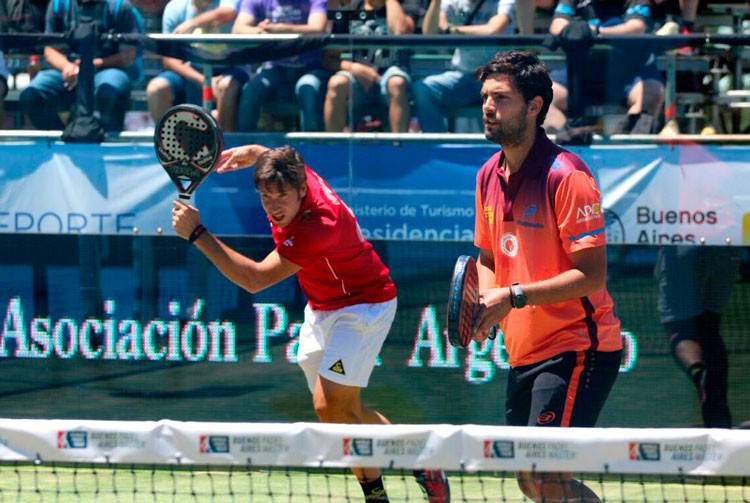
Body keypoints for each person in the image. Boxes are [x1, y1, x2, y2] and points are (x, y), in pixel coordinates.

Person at [170, 144, 450, 503]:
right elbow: (272, 154)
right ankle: (420, 457)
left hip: (363, 306)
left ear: (302, 190)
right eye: (265, 196)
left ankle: (375, 496)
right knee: (333, 412)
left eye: (281, 196)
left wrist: (198, 235)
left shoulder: (320, 224)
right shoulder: (299, 174)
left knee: (334, 403)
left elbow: (255, 280)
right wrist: (254, 152)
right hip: (320, 308)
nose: (273, 206)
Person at [470, 50, 623, 502]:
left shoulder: (568, 176)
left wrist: (512, 297)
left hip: (578, 346)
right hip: (524, 351)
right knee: (529, 477)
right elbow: (488, 256)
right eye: (484, 97)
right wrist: (490, 303)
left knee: (549, 476)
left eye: (501, 97)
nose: (488, 107)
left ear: (535, 106)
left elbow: (591, 276)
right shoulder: (486, 175)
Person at [543, 0, 665, 136]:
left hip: (628, 72)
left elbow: (637, 26)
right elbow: (557, 25)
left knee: (652, 92)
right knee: (542, 97)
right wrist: (575, 30)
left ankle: (625, 147)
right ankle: (568, 146)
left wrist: (597, 32)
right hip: (580, 72)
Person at [19, 0, 144, 133]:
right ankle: (63, 137)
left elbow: (128, 55)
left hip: (105, 70)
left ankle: (109, 140)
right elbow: (50, 50)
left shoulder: (120, 7)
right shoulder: (58, 5)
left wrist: (88, 66)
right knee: (31, 96)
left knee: (110, 91)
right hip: (68, 72)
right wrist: (67, 67)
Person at [655, 245, 742, 428]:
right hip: (728, 247)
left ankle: (699, 373)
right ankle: (719, 423)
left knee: (678, 330)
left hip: (682, 244)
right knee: (710, 328)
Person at [412, 0, 516, 132]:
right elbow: (429, 33)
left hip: (499, 78)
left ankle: (502, 151)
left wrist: (451, 30)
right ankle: (437, 149)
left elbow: (493, 29)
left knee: (495, 131)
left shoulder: (504, 2)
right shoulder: (451, 2)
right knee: (424, 89)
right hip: (464, 77)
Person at [145, 0, 246, 131]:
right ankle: (169, 144)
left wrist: (193, 23)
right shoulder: (175, 7)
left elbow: (228, 12)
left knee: (226, 86)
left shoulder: (227, 3)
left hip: (229, 68)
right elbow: (169, 59)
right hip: (190, 72)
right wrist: (205, 81)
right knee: (156, 88)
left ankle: (224, 145)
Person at [232, 0, 330, 132]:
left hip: (311, 68)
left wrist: (281, 29)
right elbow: (238, 29)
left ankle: (312, 147)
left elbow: (318, 29)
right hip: (274, 69)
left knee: (307, 88)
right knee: (251, 90)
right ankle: (245, 146)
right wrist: (263, 31)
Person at [323, 0, 416, 133]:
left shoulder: (407, 6)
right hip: (358, 81)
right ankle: (333, 149)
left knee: (397, 83)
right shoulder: (350, 11)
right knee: (336, 83)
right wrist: (353, 68)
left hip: (392, 76)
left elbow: (400, 31)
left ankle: (399, 149)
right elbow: (328, 58)